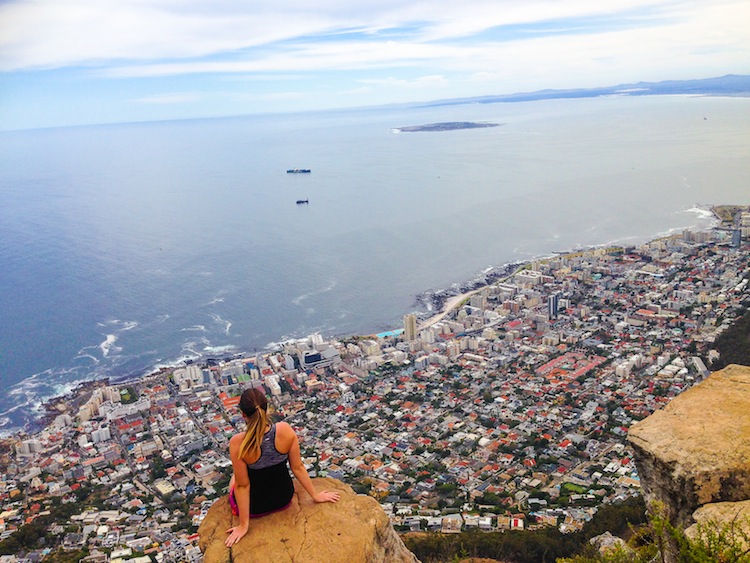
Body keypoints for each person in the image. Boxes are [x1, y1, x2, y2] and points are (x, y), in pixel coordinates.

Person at [225, 387, 340, 547]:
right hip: (284, 497)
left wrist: (244, 525)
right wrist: (315, 495)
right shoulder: (285, 430)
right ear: (267, 408)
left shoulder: (238, 443)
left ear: (243, 414)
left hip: (255, 507)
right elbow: (298, 467)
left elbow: (243, 486)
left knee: (235, 478)